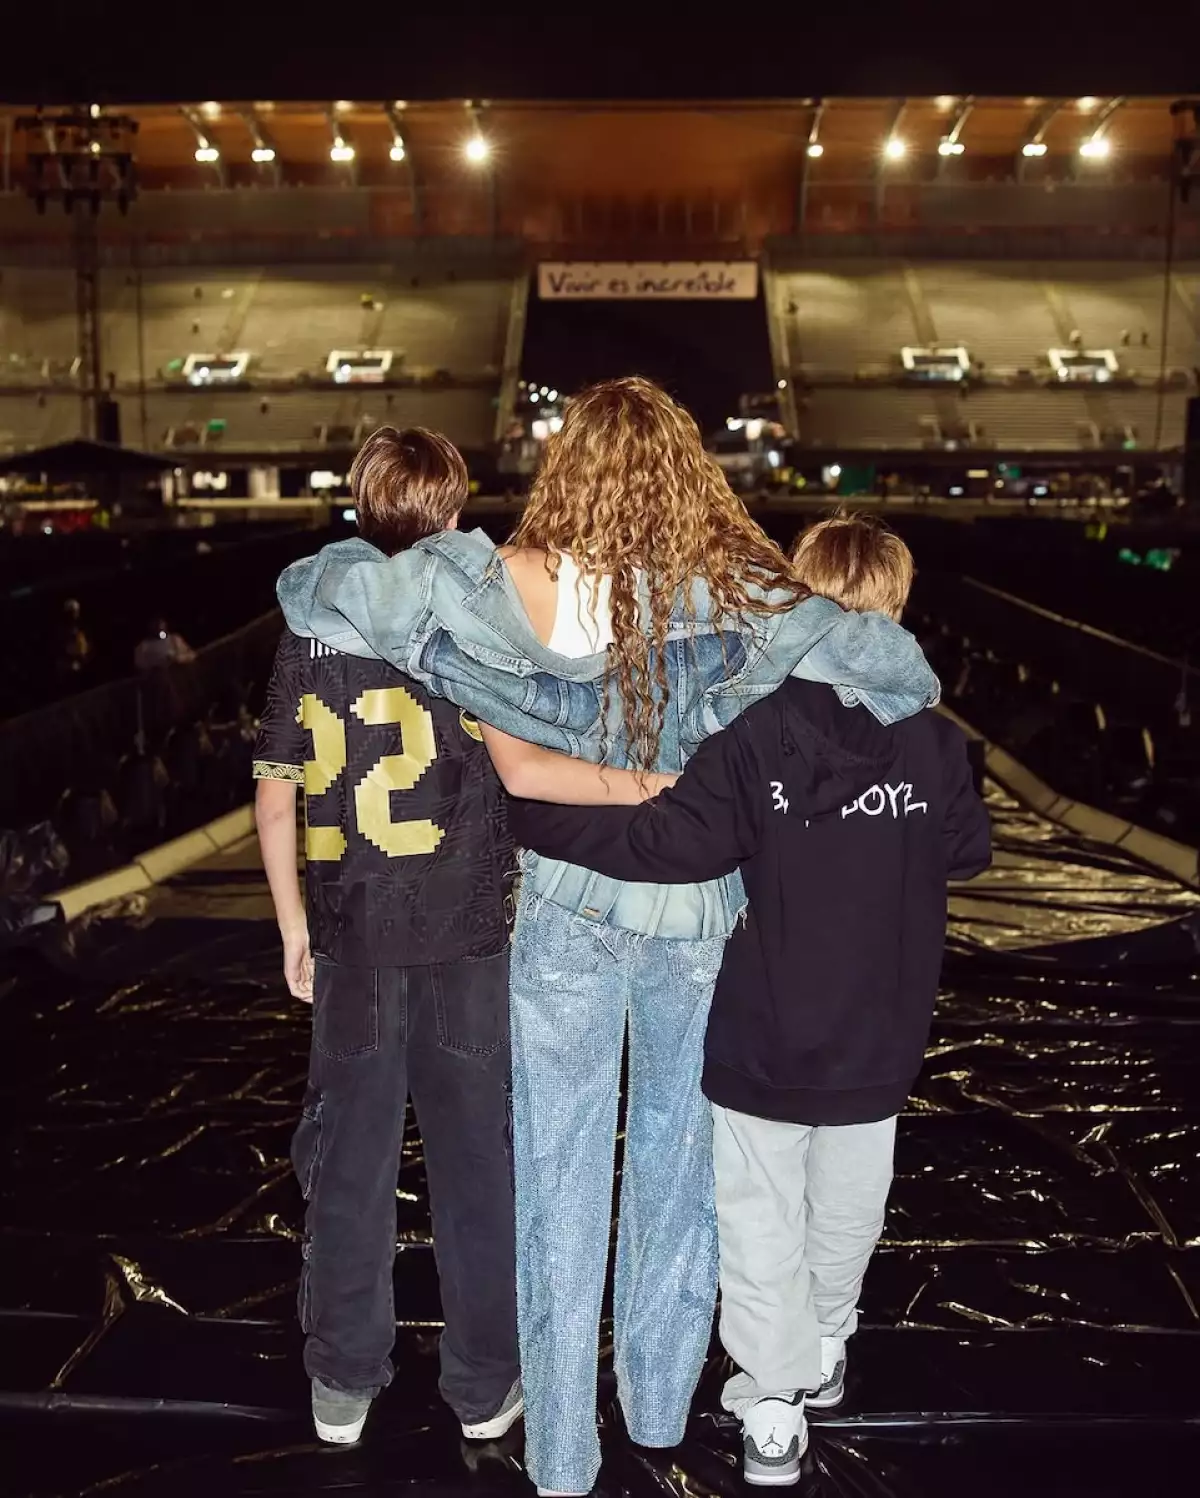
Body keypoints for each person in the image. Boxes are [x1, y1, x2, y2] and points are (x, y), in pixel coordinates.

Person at [274, 384, 941, 1495]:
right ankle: (659, 1407)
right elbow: (897, 675)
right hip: (697, 914)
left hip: (567, 912)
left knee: (555, 1179)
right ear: (691, 470)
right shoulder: (744, 593)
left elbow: (319, 592)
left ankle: (565, 1457)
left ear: (565, 465)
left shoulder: (499, 585)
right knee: (679, 1175)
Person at [508, 514, 991, 1487]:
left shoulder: (752, 730)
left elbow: (663, 843)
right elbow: (969, 851)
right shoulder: (935, 746)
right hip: (878, 1039)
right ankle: (823, 1350)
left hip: (760, 1036)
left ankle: (772, 1405)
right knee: (849, 1208)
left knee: (760, 1218)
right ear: (896, 604)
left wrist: (531, 811)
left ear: (796, 601)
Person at [252, 427, 663, 1449]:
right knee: (478, 1168)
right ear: (453, 506)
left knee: (349, 1165)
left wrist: (294, 926)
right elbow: (542, 756)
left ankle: (343, 1379)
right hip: (470, 932)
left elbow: (273, 795)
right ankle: (485, 1387)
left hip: (353, 935)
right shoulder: (481, 620)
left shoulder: (308, 624)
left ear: (360, 501)